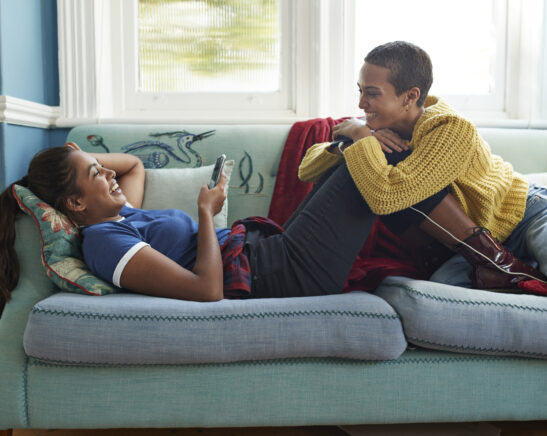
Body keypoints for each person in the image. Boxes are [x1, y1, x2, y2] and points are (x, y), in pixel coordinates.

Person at [298, 40, 547, 290]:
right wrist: (352, 140)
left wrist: (362, 137)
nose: (362, 103)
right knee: (441, 287)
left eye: (372, 93)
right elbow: (306, 169)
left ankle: (517, 269)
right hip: (472, 246)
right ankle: (523, 270)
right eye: (360, 91)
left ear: (410, 96)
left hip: (525, 214)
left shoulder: (450, 128)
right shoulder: (376, 125)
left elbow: (387, 196)